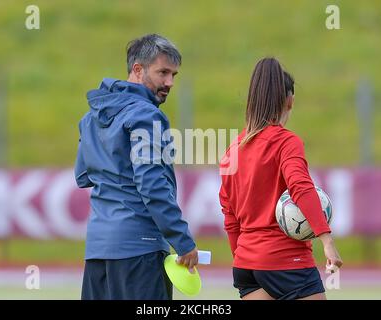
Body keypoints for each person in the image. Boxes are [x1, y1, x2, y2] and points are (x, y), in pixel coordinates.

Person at [74, 34, 198, 300]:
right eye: (163, 72)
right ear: (138, 70)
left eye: (174, 75)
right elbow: (152, 184)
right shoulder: (147, 114)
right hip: (139, 249)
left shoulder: (91, 117)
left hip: (98, 250)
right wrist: (182, 240)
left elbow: (83, 175)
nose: (170, 82)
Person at [219, 57, 343, 300]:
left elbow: (230, 216)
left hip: (246, 265)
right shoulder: (286, 141)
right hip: (286, 260)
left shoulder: (232, 150)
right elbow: (300, 187)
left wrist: (244, 258)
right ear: (290, 100)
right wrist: (327, 241)